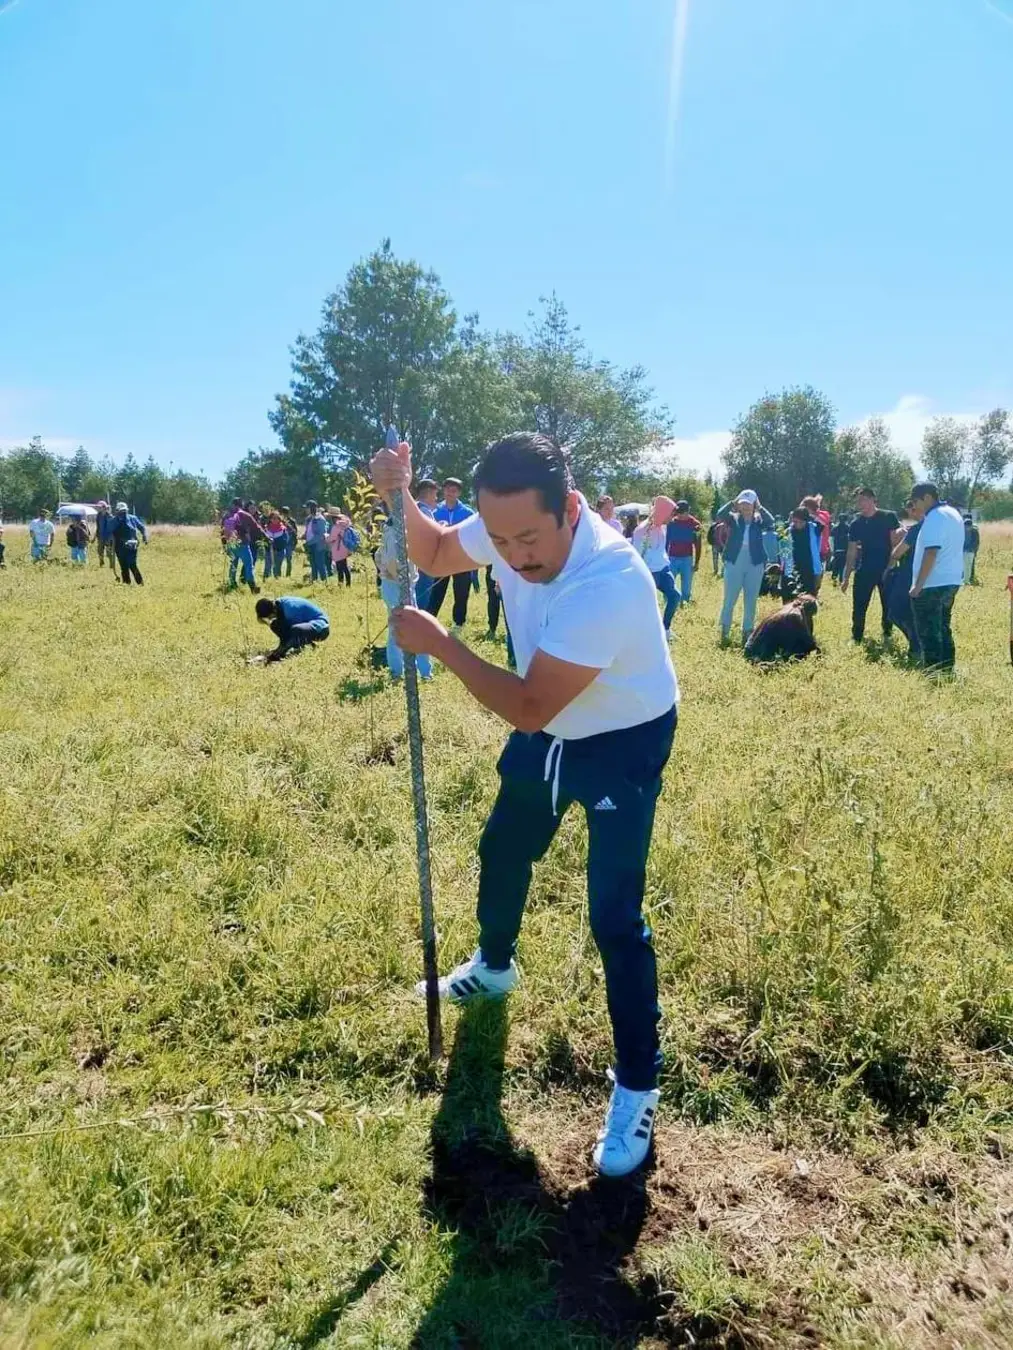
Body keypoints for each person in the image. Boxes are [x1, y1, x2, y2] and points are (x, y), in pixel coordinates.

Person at [370, 430, 679, 1179]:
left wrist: (443, 646)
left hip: (619, 738)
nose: (513, 555)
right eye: (500, 537)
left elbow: (532, 705)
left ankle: (636, 1086)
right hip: (549, 729)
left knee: (612, 914)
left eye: (528, 539)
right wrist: (398, 494)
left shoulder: (607, 579)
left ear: (571, 508)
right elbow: (438, 554)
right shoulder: (508, 522)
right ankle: (495, 965)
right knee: (502, 848)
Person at [909, 483, 964, 674]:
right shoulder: (953, 513)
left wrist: (918, 585)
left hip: (932, 583)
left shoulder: (934, 517)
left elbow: (931, 552)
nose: (914, 506)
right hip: (951, 580)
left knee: (928, 631)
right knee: (943, 626)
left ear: (926, 497)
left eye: (915, 501)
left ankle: (933, 672)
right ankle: (947, 668)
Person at [376, 516, 433, 682]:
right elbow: (393, 562)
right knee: (407, 626)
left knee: (401, 626)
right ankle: (419, 671)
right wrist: (404, 588)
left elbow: (380, 558)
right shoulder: (395, 534)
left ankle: (401, 670)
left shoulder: (390, 532)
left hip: (394, 584)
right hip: (398, 585)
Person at [715, 491, 774, 644]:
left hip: (755, 562)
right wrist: (732, 503)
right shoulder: (733, 519)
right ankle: (724, 631)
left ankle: (747, 633)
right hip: (735, 561)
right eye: (742, 503)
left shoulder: (759, 520)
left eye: (748, 503)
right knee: (730, 598)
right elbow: (720, 514)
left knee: (751, 599)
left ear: (754, 504)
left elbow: (771, 521)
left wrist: (760, 508)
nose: (745, 506)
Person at [841, 488, 899, 643]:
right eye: (859, 500)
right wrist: (846, 576)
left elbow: (895, 543)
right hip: (865, 568)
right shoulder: (856, 523)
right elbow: (851, 551)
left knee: (888, 604)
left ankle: (887, 633)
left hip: (886, 567)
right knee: (859, 603)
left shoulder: (888, 517)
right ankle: (857, 636)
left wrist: (891, 566)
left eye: (864, 499)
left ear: (873, 499)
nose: (861, 504)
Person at [426, 477, 477, 632]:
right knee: (436, 591)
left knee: (461, 592)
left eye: (454, 490)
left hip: (462, 560)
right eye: (448, 489)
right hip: (442, 559)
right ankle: (430, 620)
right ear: (443, 490)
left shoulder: (468, 512)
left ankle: (458, 624)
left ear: (459, 492)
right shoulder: (435, 511)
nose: (450, 493)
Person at [633, 497, 679, 639]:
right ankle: (646, 633)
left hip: (663, 570)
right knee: (650, 604)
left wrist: (665, 564)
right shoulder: (642, 530)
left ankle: (665, 628)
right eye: (670, 514)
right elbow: (638, 554)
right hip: (650, 572)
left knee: (675, 596)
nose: (672, 518)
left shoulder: (662, 528)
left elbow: (661, 550)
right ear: (662, 512)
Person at [884, 506, 922, 659]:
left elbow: (897, 553)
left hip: (908, 575)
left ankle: (916, 645)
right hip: (916, 575)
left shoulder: (914, 530)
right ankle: (915, 644)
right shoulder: (926, 528)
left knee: (896, 612)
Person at [744, 594, 820, 663]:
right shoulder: (795, 616)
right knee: (801, 646)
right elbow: (808, 642)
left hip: (751, 648)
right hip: (757, 653)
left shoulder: (789, 608)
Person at [254, 595, 330, 661]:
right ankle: (309, 645)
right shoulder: (278, 606)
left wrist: (277, 653)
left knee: (296, 630)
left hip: (321, 629)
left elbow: (292, 634)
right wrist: (279, 648)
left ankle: (305, 647)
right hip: (306, 627)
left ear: (273, 611)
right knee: (275, 625)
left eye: (270, 617)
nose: (271, 618)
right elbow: (284, 632)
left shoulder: (290, 609)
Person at [223, 497, 266, 593]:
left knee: (233, 564)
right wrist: (266, 536)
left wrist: (225, 544)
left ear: (233, 505)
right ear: (241, 505)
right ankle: (252, 586)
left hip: (231, 543)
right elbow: (257, 527)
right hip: (243, 544)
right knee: (248, 565)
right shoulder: (245, 515)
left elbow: (223, 531)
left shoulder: (227, 515)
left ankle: (232, 583)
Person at [665, 500, 702, 607]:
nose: (679, 515)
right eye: (678, 512)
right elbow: (667, 542)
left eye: (681, 512)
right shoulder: (671, 523)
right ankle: (669, 602)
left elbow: (698, 545)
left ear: (687, 511)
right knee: (669, 582)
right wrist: (665, 559)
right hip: (672, 558)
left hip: (687, 558)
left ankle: (684, 603)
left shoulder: (696, 525)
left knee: (686, 585)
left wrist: (697, 562)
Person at [414, 479, 440, 610]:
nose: (436, 498)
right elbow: (430, 538)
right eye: (435, 495)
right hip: (423, 563)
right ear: (429, 493)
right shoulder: (424, 511)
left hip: (410, 562)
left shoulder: (410, 508)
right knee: (421, 602)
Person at [787, 507, 823, 598]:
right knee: (793, 594)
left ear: (806, 521)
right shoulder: (789, 530)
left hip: (810, 566)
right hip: (794, 566)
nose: (798, 524)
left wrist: (811, 515)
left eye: (801, 522)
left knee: (810, 594)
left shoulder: (813, 528)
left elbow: (822, 523)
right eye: (795, 522)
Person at [111, 502, 148, 584]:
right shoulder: (114, 521)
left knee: (132, 564)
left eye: (124, 511)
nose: (123, 513)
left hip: (132, 545)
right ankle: (126, 584)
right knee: (124, 566)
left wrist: (144, 536)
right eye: (121, 512)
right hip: (119, 547)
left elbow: (142, 527)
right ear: (117, 511)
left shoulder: (132, 518)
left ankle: (140, 583)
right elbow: (109, 533)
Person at [801, 495, 832, 570]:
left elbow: (823, 523)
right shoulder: (808, 518)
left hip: (820, 549)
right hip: (811, 548)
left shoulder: (822, 515)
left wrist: (811, 516)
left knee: (817, 570)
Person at [303, 501, 330, 583]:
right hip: (310, 544)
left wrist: (311, 541)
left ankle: (324, 581)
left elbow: (321, 534)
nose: (306, 510)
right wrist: (303, 536)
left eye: (307, 508)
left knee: (320, 564)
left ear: (312, 508)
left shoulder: (320, 519)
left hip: (318, 545)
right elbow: (308, 531)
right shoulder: (308, 519)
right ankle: (314, 581)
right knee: (313, 564)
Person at [327, 510, 354, 587]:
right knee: (345, 567)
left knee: (340, 569)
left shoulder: (336, 526)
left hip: (338, 549)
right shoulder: (344, 525)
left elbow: (331, 538)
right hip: (345, 548)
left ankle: (340, 585)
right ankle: (348, 584)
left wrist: (325, 537)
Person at [263, 508, 290, 580]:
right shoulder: (266, 528)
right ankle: (266, 581)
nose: (275, 520)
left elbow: (285, 541)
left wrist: (276, 546)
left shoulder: (283, 529)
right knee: (267, 567)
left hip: (279, 552)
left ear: (279, 519)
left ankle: (277, 581)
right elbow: (263, 539)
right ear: (270, 519)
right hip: (269, 551)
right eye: (273, 518)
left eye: (276, 518)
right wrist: (268, 543)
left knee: (277, 568)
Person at [95, 501, 118, 574]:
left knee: (109, 552)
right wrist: (94, 537)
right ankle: (101, 563)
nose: (98, 508)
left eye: (100, 507)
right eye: (98, 507)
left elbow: (114, 527)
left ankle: (111, 565)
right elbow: (98, 527)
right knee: (99, 551)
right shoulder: (98, 516)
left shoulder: (110, 516)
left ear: (104, 508)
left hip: (109, 537)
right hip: (100, 536)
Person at [829, 513, 850, 584]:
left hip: (836, 549)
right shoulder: (848, 527)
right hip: (845, 550)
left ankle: (834, 577)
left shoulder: (835, 528)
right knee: (843, 565)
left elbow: (831, 539)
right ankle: (841, 578)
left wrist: (832, 549)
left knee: (836, 564)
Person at [963, 514, 980, 586]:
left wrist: (974, 551)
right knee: (964, 566)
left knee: (969, 566)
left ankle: (968, 580)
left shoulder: (974, 531)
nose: (966, 527)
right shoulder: (962, 531)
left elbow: (976, 542)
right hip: (964, 551)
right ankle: (964, 579)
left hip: (970, 551)